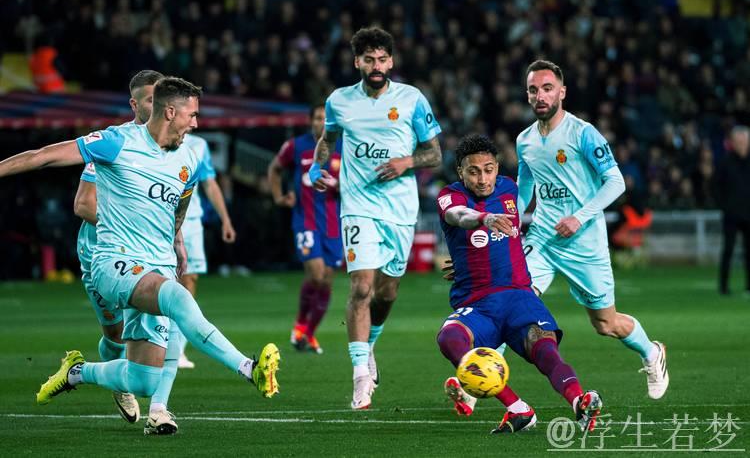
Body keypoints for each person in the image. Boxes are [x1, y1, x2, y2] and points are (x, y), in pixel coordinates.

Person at [0, 77, 280, 433]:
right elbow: (43, 157)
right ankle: (249, 369)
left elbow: (179, 208)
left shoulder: (189, 160)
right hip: (114, 263)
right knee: (178, 299)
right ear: (170, 112)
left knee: (143, 380)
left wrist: (177, 242)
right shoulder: (117, 142)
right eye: (192, 115)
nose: (196, 124)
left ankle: (77, 372)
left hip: (157, 267)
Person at [516, 60, 668, 399]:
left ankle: (652, 352)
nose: (540, 96)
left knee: (605, 324)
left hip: (584, 243)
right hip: (543, 239)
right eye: (533, 90)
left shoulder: (582, 133)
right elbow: (524, 188)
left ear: (562, 92)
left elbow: (615, 182)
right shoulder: (524, 140)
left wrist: (579, 217)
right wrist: (509, 219)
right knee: (513, 300)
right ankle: (480, 372)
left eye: (547, 88)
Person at [309, 27, 442, 409]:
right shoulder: (339, 101)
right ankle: (359, 377)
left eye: (382, 59)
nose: (376, 66)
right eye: (369, 59)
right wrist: (317, 168)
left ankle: (369, 346)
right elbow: (327, 140)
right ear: (357, 62)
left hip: (400, 211)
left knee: (387, 293)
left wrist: (406, 162)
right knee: (361, 288)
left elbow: (434, 153)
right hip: (358, 207)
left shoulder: (412, 99)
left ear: (391, 61)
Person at [437, 134, 603, 433]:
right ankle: (517, 408)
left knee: (545, 349)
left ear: (497, 169)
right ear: (460, 172)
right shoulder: (450, 196)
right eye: (473, 171)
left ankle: (580, 401)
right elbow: (457, 216)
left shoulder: (510, 188)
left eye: (488, 169)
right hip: (478, 304)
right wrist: (485, 219)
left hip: (519, 297)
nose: (482, 179)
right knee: (449, 338)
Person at [73, 69, 162, 427]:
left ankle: (159, 406)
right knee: (115, 333)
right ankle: (117, 379)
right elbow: (84, 204)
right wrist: (130, 223)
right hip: (100, 254)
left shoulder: (170, 148)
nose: (158, 106)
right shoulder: (114, 143)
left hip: (143, 255)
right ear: (134, 105)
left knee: (160, 318)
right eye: (150, 99)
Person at [268, 104, 342, 355]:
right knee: (316, 274)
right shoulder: (296, 146)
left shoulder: (343, 146)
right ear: (311, 121)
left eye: (326, 118)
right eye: (318, 118)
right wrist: (279, 197)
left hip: (334, 223)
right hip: (306, 221)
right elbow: (275, 169)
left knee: (327, 280)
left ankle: (308, 334)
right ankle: (300, 324)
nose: (322, 122)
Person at [177, 132, 237, 368]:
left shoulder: (198, 145)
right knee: (158, 283)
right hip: (159, 220)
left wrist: (225, 219)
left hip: (191, 221)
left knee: (189, 280)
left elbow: (210, 184)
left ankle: (177, 350)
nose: (194, 122)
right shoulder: (153, 138)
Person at [715, 125, 750, 296]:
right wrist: (725, 205)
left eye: (744, 141)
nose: (742, 144)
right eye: (739, 141)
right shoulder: (725, 162)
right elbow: (716, 187)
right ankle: (723, 287)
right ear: (733, 143)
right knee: (728, 250)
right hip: (731, 214)